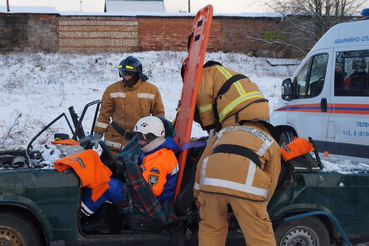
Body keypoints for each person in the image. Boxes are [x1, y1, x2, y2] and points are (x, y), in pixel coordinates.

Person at [193, 61, 281, 246]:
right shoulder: (270, 142)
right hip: (247, 188)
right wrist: (261, 204)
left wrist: (198, 196)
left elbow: (202, 164)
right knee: (260, 236)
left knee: (211, 229)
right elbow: (272, 178)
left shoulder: (224, 133)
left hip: (211, 184)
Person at [81, 116, 179, 219]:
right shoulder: (159, 151)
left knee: (105, 185)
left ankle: (81, 216)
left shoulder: (160, 160)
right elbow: (143, 165)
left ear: (151, 137)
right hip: (147, 197)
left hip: (151, 204)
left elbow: (149, 192)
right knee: (105, 177)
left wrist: (129, 175)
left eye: (141, 138)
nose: (139, 142)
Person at [92, 56, 165, 155]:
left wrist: (154, 138)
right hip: (114, 143)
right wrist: (97, 135)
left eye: (129, 74)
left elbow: (159, 116)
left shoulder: (152, 90)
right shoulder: (112, 90)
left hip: (139, 144)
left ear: (137, 74)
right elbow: (104, 115)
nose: (126, 77)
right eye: (123, 74)